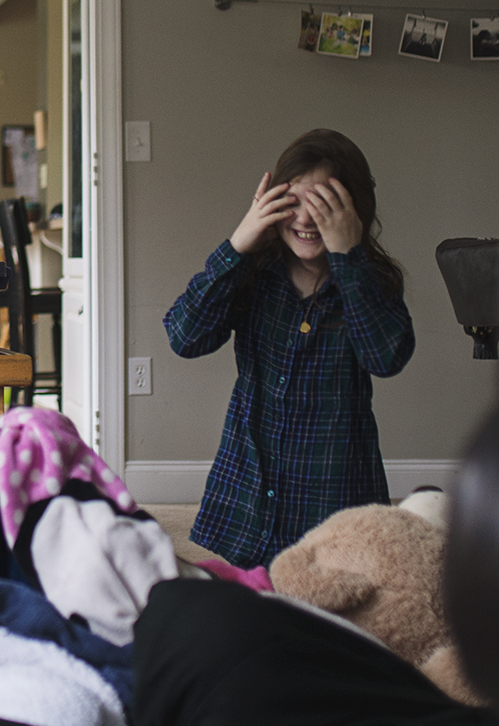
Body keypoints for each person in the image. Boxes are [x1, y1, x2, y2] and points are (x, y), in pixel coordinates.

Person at [163, 129, 414, 568]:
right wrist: (238, 243)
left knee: (332, 612)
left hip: (334, 490)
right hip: (249, 490)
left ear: (354, 208)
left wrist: (348, 257)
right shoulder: (254, 272)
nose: (305, 218)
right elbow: (184, 337)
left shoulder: (370, 281)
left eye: (324, 204)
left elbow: (386, 357)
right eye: (293, 201)